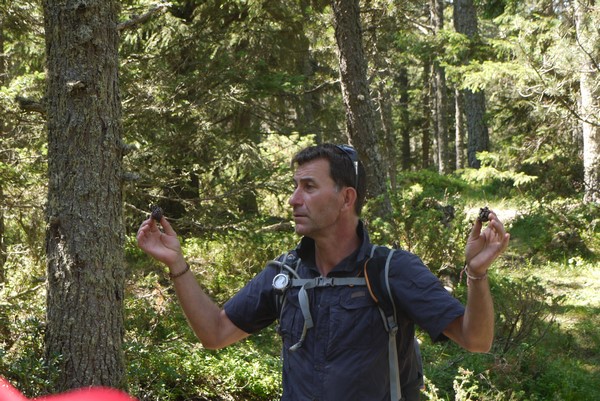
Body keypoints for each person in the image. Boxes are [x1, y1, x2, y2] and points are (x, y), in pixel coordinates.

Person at [136, 143, 510, 401]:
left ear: (346, 198)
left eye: (308, 187)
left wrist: (477, 275)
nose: (293, 199)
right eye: (294, 187)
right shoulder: (286, 273)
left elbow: (475, 340)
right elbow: (215, 333)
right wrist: (177, 266)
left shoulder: (391, 269)